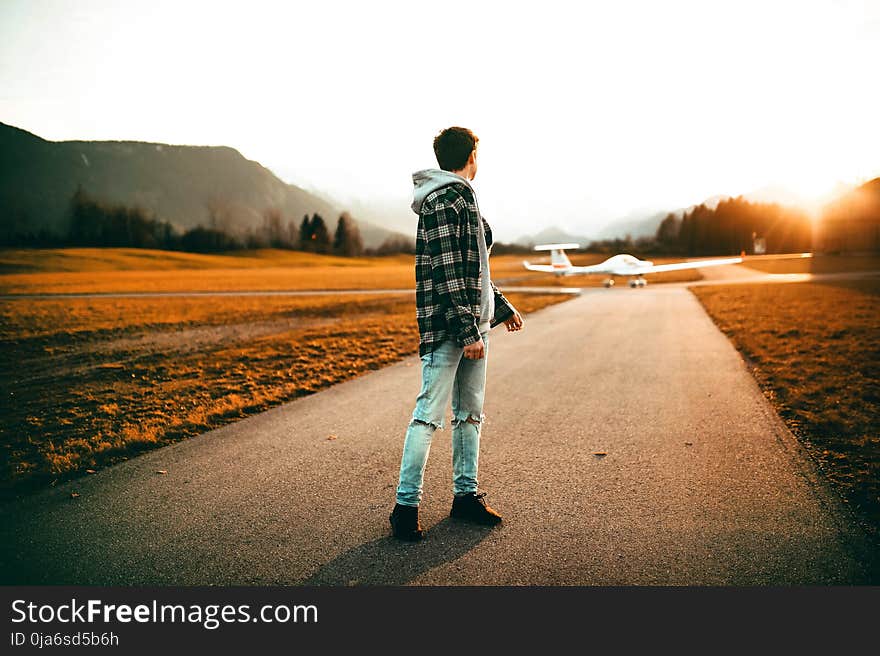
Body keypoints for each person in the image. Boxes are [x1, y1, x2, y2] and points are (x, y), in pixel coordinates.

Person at [389, 126, 524, 541]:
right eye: (477, 155)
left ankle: (465, 497)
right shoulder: (446, 198)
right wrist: (468, 332)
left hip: (472, 325)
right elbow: (448, 274)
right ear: (469, 156)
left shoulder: (462, 197)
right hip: (450, 329)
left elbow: (474, 269)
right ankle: (405, 506)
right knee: (428, 416)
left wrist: (500, 308)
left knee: (470, 414)